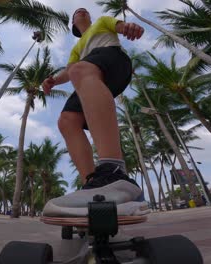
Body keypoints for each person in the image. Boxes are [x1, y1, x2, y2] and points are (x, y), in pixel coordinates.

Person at [42, 8, 149, 217]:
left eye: (84, 11)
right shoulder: (77, 48)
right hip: (87, 72)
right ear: (73, 23)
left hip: (113, 59)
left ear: (89, 18)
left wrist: (128, 27)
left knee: (80, 70)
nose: (80, 11)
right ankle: (94, 186)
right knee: (67, 120)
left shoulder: (102, 22)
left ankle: (114, 170)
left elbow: (120, 26)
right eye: (76, 12)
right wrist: (54, 80)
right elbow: (68, 71)